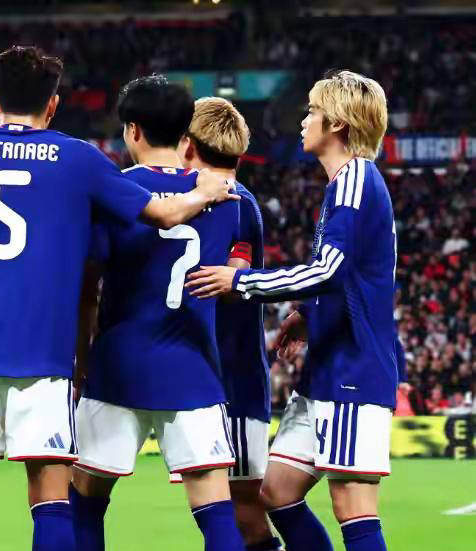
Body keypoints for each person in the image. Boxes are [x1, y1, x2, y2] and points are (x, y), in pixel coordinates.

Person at [0, 46, 238, 551]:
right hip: (42, 347)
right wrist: (206, 192)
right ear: (53, 104)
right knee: (50, 494)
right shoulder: (79, 158)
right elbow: (162, 214)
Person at [187, 70, 396, 551]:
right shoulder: (342, 185)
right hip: (328, 367)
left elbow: (329, 270)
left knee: (353, 505)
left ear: (337, 124)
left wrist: (240, 281)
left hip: (354, 370)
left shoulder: (356, 178)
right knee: (276, 492)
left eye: (312, 111)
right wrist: (307, 313)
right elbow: (352, 272)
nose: (304, 121)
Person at [70, 76, 245, 551]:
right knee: (216, 512)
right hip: (193, 367)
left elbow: (87, 290)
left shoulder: (114, 193)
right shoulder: (226, 197)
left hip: (118, 366)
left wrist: (82, 359)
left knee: (84, 502)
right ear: (187, 135)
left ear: (132, 130)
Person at [175, 97, 283, 551]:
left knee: (243, 511)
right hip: (209, 374)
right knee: (217, 509)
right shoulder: (201, 197)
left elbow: (232, 281)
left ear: (188, 144)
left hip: (233, 379)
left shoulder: (238, 203)